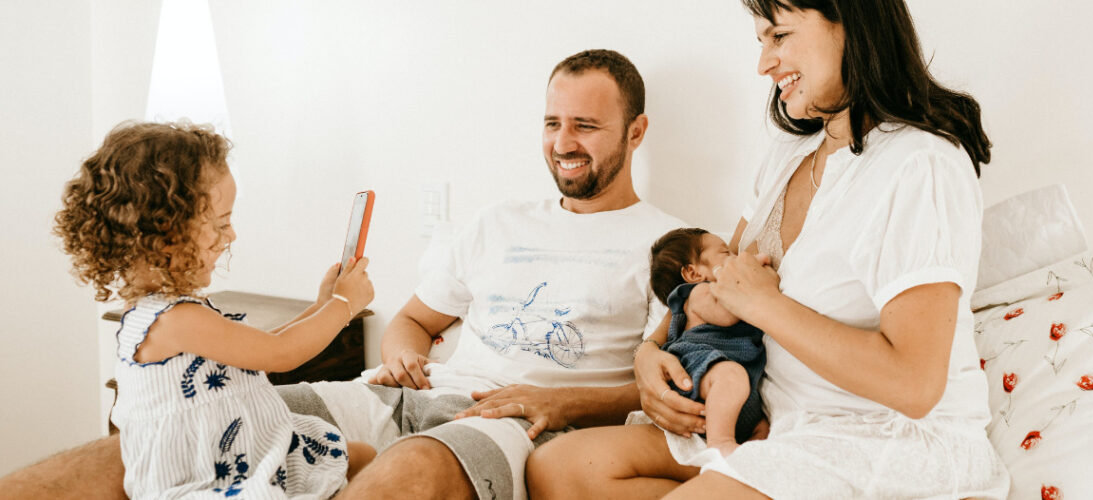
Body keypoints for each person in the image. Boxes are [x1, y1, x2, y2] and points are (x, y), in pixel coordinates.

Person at [0, 49, 684, 500]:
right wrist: (404, 355)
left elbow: (667, 389)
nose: (563, 142)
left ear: (637, 131)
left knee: (409, 470)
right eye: (552, 122)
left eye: (586, 126)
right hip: (403, 395)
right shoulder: (496, 221)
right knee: (194, 428)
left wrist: (563, 404)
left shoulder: (667, 244)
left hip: (513, 421)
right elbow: (414, 321)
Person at [527, 1, 1011, 499]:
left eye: (779, 37)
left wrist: (768, 306)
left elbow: (914, 384)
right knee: (558, 469)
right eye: (761, 41)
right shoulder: (792, 151)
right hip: (772, 423)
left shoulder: (921, 164)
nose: (764, 64)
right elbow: (722, 284)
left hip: (880, 438)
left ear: (852, 24)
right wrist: (649, 355)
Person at [52, 121, 377, 498]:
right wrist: (344, 305)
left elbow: (257, 347)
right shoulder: (176, 320)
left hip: (239, 453)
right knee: (359, 461)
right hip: (210, 478)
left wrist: (322, 306)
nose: (232, 235)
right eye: (222, 223)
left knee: (362, 455)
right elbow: (280, 354)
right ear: (165, 231)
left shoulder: (169, 311)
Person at [647, 228, 765, 456]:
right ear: (693, 273)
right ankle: (720, 443)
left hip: (733, 384)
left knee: (762, 425)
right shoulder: (699, 293)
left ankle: (747, 450)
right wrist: (753, 270)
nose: (736, 257)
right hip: (697, 367)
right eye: (725, 253)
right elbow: (729, 313)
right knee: (731, 376)